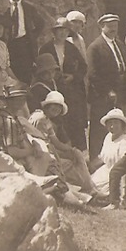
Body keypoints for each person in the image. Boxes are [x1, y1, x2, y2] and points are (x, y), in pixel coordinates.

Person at [29, 91, 101, 203]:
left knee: (76, 156)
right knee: (70, 164)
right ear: (47, 105)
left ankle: (90, 189)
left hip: (47, 152)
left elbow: (56, 142)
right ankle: (89, 190)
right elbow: (41, 143)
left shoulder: (47, 120)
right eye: (54, 105)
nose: (56, 109)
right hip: (39, 155)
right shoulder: (40, 118)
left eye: (59, 107)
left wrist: (72, 150)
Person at [85, 14, 126, 160]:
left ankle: (114, 157)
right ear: (102, 27)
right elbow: (92, 74)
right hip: (102, 95)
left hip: (120, 92)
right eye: (109, 26)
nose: (113, 29)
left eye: (115, 26)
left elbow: (123, 68)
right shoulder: (95, 47)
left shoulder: (119, 45)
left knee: (118, 126)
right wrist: (107, 91)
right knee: (100, 128)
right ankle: (96, 158)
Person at [39, 17, 88, 151]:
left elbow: (83, 67)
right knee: (58, 120)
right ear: (54, 32)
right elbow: (40, 69)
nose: (62, 34)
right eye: (59, 30)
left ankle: (79, 152)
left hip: (71, 90)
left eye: (65, 31)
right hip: (52, 89)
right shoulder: (46, 48)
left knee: (74, 120)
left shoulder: (71, 48)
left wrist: (73, 76)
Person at [89, 108, 126, 199]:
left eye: (116, 123)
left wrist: (123, 194)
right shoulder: (109, 136)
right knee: (87, 184)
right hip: (106, 171)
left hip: (119, 177)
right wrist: (88, 167)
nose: (112, 126)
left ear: (122, 125)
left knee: (98, 192)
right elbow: (102, 157)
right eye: (110, 123)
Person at [6, 0, 41, 84]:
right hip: (6, 44)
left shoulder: (29, 7)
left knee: (24, 76)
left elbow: (40, 23)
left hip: (23, 45)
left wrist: (31, 36)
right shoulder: (3, 6)